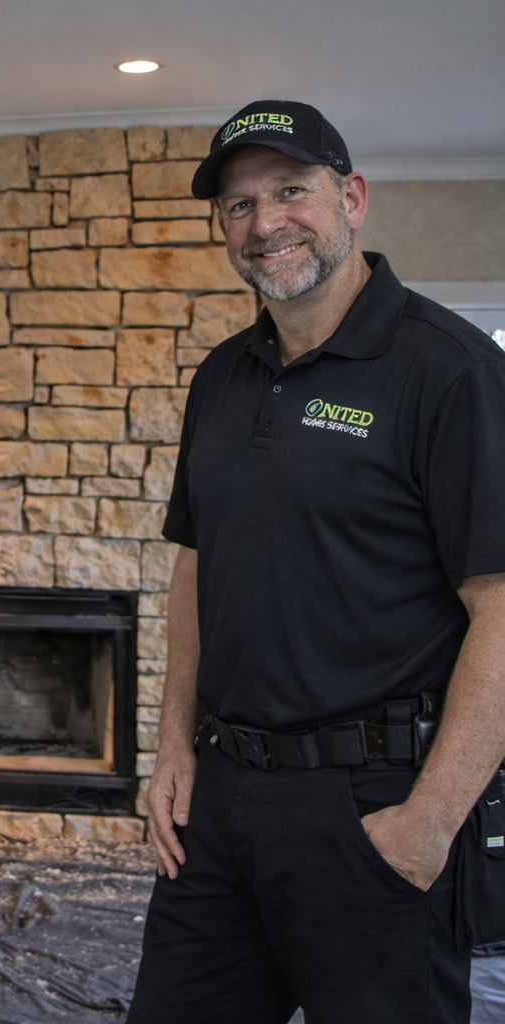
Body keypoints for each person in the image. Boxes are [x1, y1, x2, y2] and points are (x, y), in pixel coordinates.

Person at [126, 100, 505, 1023]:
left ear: (353, 199)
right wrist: (174, 744)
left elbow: (502, 605)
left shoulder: (448, 369)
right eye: (238, 206)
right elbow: (196, 565)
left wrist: (429, 824)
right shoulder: (221, 376)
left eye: (290, 191)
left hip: (373, 804)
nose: (265, 224)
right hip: (223, 801)